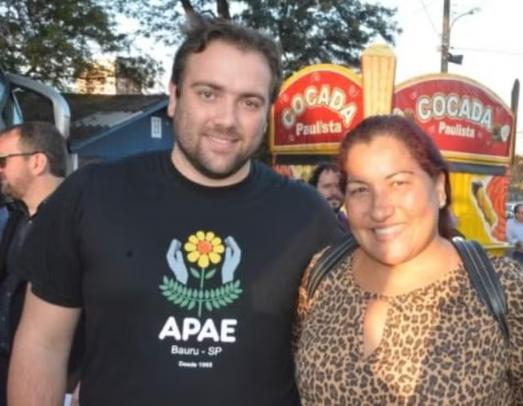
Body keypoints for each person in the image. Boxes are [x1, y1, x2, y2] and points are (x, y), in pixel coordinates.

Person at [8, 15, 342, 406]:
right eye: (208, 94)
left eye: (249, 102)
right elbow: (43, 344)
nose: (227, 120)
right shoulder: (91, 194)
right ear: (174, 96)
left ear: (267, 111)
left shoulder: (307, 216)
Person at [294, 115, 523, 405]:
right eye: (360, 189)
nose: (380, 210)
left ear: (439, 188)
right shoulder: (322, 274)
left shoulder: (503, 289)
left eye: (399, 183)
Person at [0, 122, 67, 406]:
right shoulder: (16, 217)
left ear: (37, 162)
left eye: (3, 161)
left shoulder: (77, 221)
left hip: (52, 377)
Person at [309, 162, 349, 231]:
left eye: (339, 186)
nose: (334, 192)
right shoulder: (304, 226)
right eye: (327, 186)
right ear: (314, 189)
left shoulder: (348, 225)